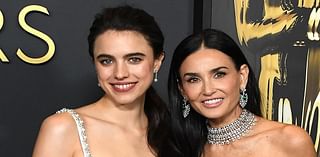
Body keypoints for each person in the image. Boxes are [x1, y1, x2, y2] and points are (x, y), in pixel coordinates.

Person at [33, 5, 174, 157]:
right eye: (107, 61)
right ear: (95, 64)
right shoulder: (62, 128)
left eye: (134, 59)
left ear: (157, 62)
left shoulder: (171, 134)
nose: (120, 74)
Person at [167, 28, 316, 157]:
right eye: (194, 79)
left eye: (219, 74)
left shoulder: (290, 140)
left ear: (242, 76)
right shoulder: (180, 150)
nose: (208, 90)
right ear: (182, 90)